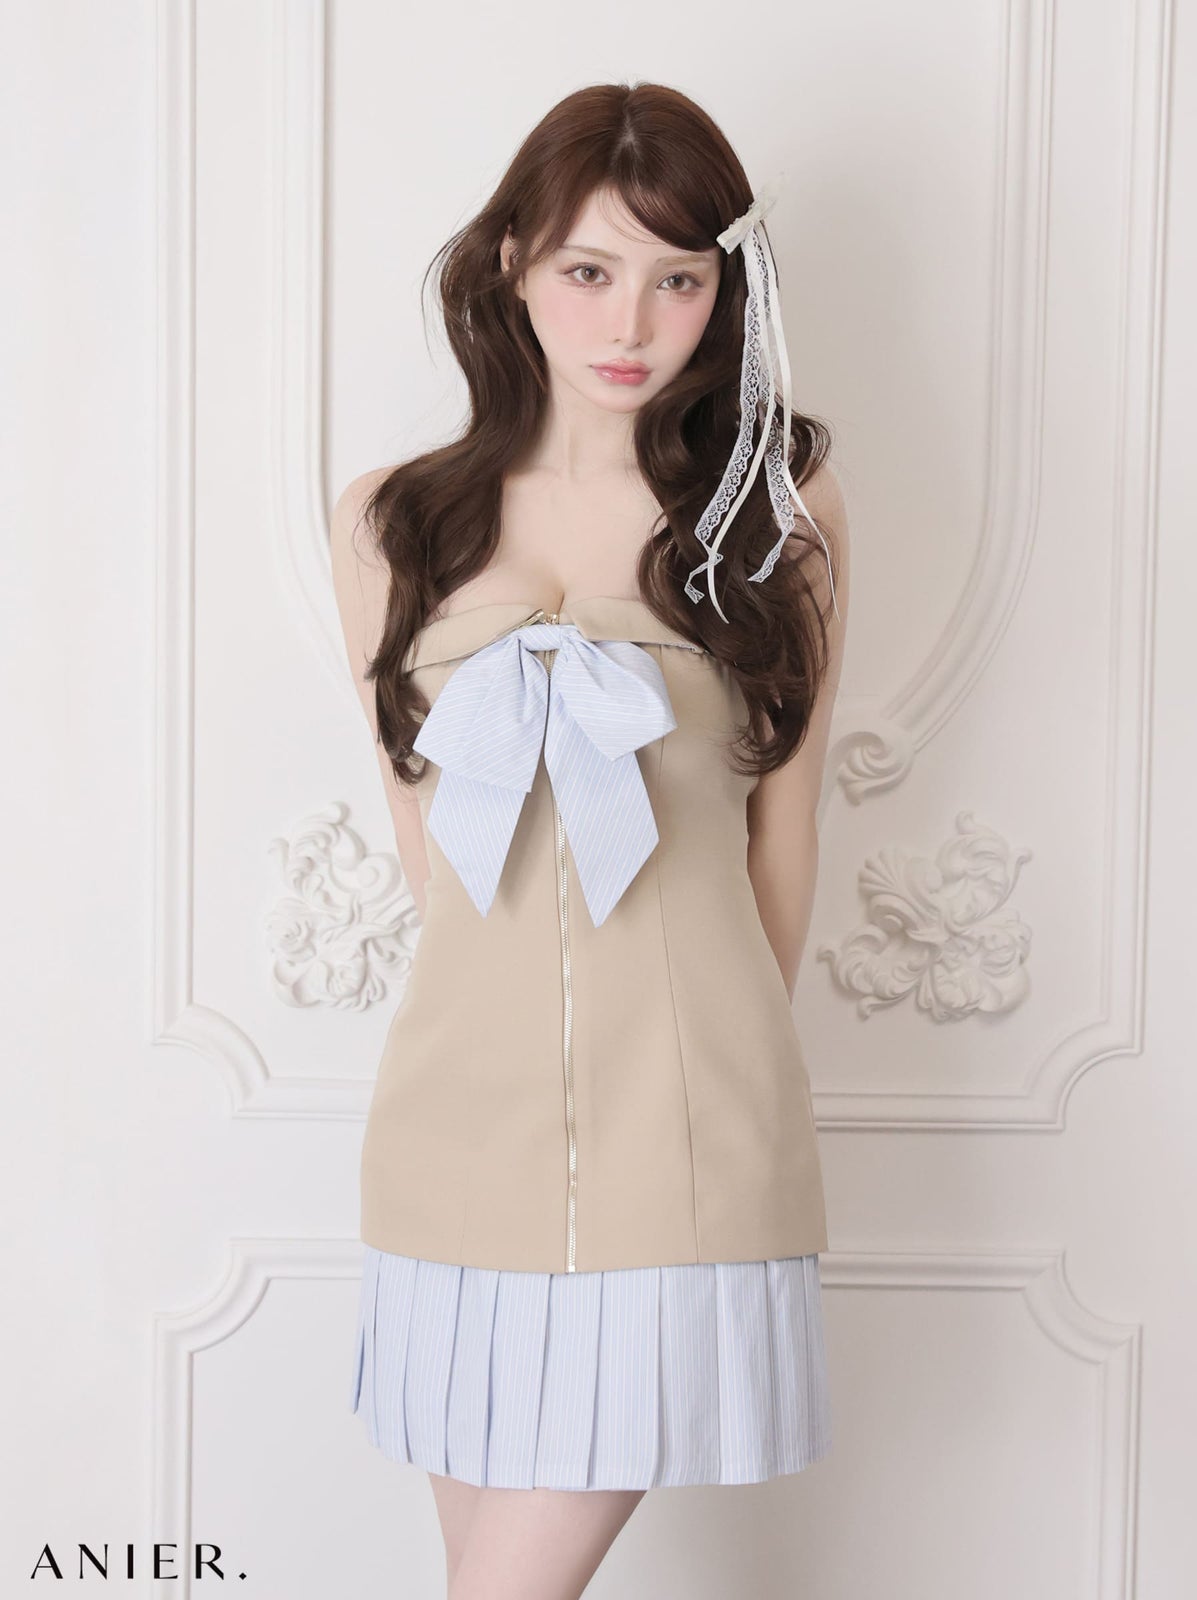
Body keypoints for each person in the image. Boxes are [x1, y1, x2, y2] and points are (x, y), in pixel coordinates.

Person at [330, 79, 850, 1600]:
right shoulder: (391, 521)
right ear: (514, 265)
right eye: (590, 270)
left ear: (726, 291)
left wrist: (724, 1096)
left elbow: (784, 839)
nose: (634, 323)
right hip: (453, 1124)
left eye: (680, 280)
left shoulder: (777, 510)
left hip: (689, 1121)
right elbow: (430, 852)